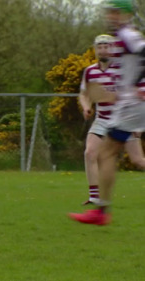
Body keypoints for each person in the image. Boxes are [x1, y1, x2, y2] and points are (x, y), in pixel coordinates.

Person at [69, 0, 145, 225]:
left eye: (115, 12)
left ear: (126, 15)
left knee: (106, 154)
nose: (110, 16)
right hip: (128, 105)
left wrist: (139, 87)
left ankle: (101, 213)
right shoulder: (124, 37)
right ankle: (101, 211)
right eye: (109, 12)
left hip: (131, 106)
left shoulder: (128, 35)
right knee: (109, 155)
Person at [78, 34, 145, 206]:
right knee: (90, 153)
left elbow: (134, 94)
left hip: (124, 121)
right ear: (95, 50)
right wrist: (86, 106)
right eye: (100, 47)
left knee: (138, 161)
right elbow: (84, 94)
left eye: (107, 46)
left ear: (113, 49)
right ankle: (94, 196)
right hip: (102, 119)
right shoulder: (90, 71)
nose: (103, 50)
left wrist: (137, 124)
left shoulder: (121, 70)